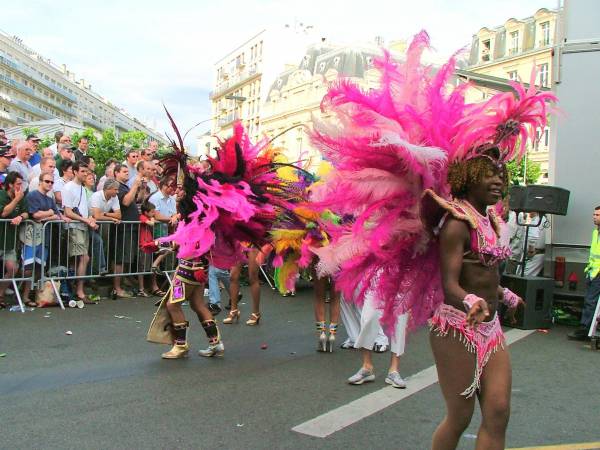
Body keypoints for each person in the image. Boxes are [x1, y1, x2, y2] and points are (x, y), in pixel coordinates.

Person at [307, 32, 554, 450]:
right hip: (456, 326)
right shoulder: (455, 222)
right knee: (459, 418)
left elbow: (487, 270)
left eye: (502, 175)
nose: (498, 181)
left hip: (489, 327)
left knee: (498, 412)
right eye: (488, 174)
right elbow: (452, 282)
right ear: (466, 178)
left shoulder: (492, 221)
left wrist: (504, 295)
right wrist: (471, 301)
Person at [347, 286, 408, 388]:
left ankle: (394, 370)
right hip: (377, 276)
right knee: (368, 317)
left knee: (400, 321)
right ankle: (367, 367)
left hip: (404, 278)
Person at [21, 172, 68, 303]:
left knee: (39, 267)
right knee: (28, 268)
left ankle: (32, 295)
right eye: (47, 181)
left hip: (45, 237)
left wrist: (48, 215)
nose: (49, 184)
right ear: (40, 181)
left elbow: (58, 216)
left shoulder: (50, 199)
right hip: (31, 237)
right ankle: (23, 296)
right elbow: (35, 214)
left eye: (52, 182)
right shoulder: (33, 195)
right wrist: (50, 213)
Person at [62, 161, 98, 305]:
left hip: (83, 225)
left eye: (86, 172)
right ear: (75, 172)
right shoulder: (68, 187)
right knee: (84, 258)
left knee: (79, 259)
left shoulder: (83, 189)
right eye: (83, 171)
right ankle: (79, 291)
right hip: (74, 227)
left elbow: (85, 209)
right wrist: (85, 220)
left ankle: (74, 288)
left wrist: (90, 220)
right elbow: (68, 211)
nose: (85, 174)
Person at [90, 179, 130, 298]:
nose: (117, 192)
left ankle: (98, 271)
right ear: (107, 189)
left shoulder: (114, 198)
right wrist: (111, 219)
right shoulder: (97, 196)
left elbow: (119, 215)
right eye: (115, 189)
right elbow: (96, 215)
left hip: (99, 224)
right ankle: (100, 269)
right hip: (87, 221)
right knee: (97, 243)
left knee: (101, 244)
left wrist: (106, 214)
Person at [568, 206, 600, 341]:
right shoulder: (595, 232)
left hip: (598, 273)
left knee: (590, 302)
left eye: (598, 215)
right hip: (592, 271)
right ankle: (587, 328)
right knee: (590, 301)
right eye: (594, 214)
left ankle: (585, 328)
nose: (594, 217)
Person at [0, 172, 28, 307]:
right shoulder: (2, 195)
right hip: (1, 236)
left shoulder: (21, 197)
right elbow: (4, 212)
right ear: (10, 184)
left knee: (12, 268)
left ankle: (0, 294)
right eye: (18, 184)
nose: (20, 186)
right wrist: (16, 200)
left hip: (9, 241)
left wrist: (20, 217)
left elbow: (26, 212)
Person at [114, 163, 142, 293]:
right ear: (116, 173)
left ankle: (123, 283)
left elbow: (136, 200)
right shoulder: (117, 186)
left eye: (127, 171)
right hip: (124, 227)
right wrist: (135, 185)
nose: (127, 173)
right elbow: (125, 202)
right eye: (124, 171)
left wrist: (141, 187)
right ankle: (117, 287)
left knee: (127, 257)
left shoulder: (125, 186)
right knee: (120, 257)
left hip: (131, 226)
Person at [137, 201, 164, 296]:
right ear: (146, 212)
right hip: (144, 245)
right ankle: (141, 289)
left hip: (150, 244)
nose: (154, 213)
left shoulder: (147, 216)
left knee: (151, 266)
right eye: (152, 212)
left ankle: (150, 287)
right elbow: (151, 223)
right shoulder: (142, 217)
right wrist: (152, 218)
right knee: (142, 268)